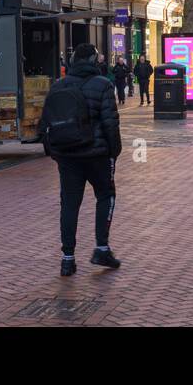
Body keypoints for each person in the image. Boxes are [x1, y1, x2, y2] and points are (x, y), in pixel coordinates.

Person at [38, 42, 123, 276]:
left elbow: (44, 124)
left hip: (68, 156)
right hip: (97, 155)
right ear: (95, 62)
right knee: (105, 196)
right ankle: (102, 248)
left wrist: (55, 153)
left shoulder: (59, 85)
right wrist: (114, 151)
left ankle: (67, 259)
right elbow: (110, 123)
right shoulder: (103, 85)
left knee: (69, 204)